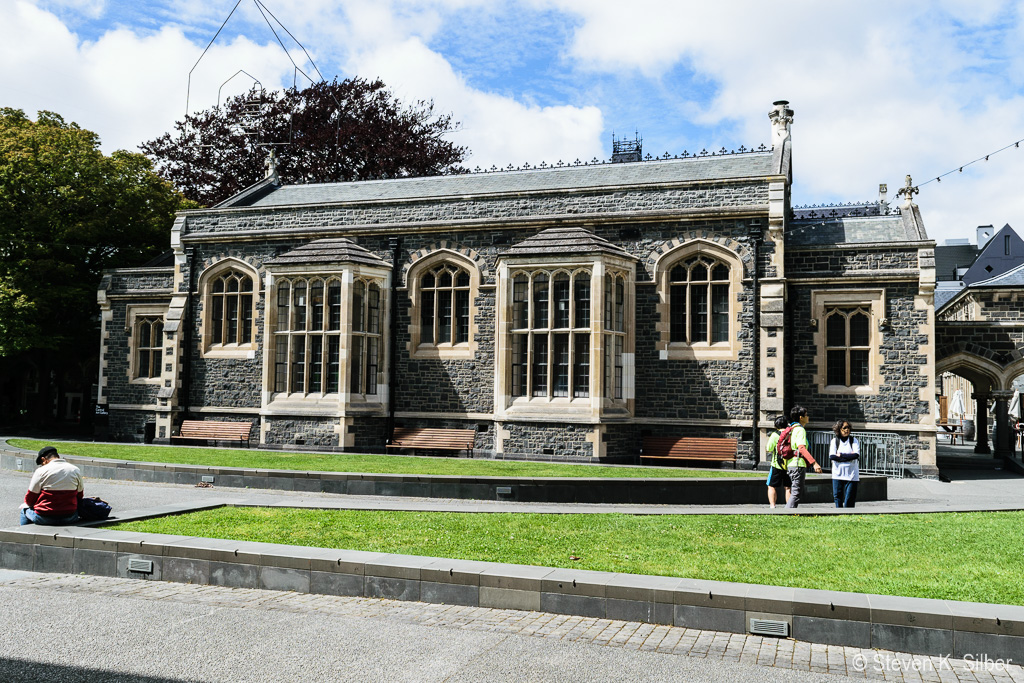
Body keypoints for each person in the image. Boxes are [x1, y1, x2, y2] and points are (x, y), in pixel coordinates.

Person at [19, 446, 84, 526]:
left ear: (43, 459)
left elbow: (30, 499)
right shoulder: (75, 469)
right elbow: (80, 495)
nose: (42, 465)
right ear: (58, 457)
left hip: (44, 517)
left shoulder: (41, 471)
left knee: (24, 510)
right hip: (70, 516)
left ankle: (25, 534)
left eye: (41, 463)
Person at [784, 405, 822, 509]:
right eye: (806, 415)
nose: (808, 417)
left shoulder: (792, 428)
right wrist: (814, 463)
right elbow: (801, 448)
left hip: (791, 463)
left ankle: (788, 512)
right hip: (798, 464)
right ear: (801, 417)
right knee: (796, 492)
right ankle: (787, 514)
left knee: (794, 491)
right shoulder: (800, 430)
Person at [829, 419, 860, 508]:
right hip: (837, 474)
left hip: (851, 474)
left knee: (850, 497)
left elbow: (855, 455)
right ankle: (838, 513)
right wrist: (847, 457)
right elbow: (832, 456)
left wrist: (841, 455)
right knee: (837, 496)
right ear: (838, 429)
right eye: (844, 428)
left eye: (848, 428)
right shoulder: (835, 441)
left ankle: (848, 514)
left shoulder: (853, 440)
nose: (847, 430)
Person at [765, 415, 791, 508]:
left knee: (771, 486)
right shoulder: (790, 434)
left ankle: (772, 506)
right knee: (788, 487)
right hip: (789, 465)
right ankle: (789, 506)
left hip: (777, 464)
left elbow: (769, 448)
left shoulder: (775, 435)